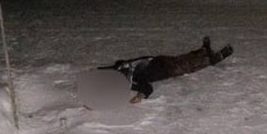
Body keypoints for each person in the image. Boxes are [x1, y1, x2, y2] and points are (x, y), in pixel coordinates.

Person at [98, 37, 233, 103]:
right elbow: (146, 88)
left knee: (185, 57)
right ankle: (214, 58)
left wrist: (100, 71)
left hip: (161, 60)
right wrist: (140, 96)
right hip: (169, 69)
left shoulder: (120, 68)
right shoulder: (130, 81)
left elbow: (116, 65)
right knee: (190, 65)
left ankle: (204, 50)